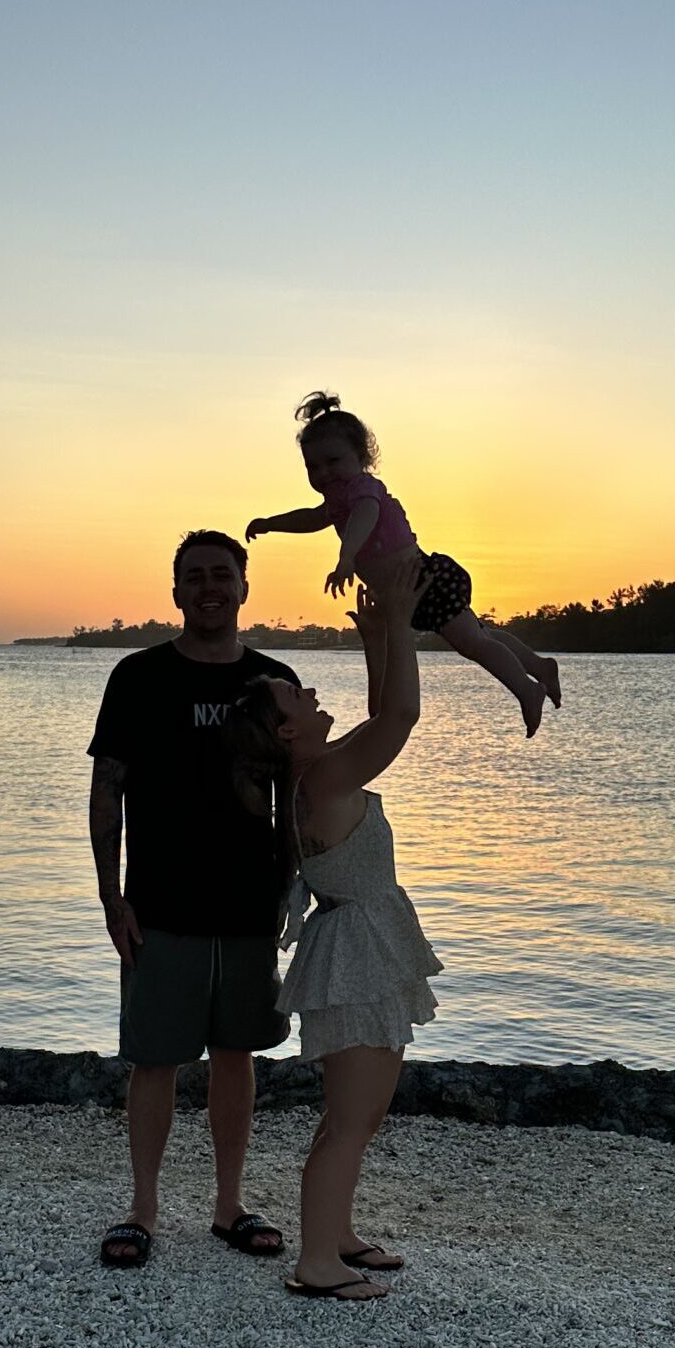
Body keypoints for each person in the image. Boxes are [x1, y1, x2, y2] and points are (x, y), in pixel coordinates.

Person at [227, 549, 439, 1302]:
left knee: (353, 1115)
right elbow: (404, 717)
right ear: (285, 733)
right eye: (296, 694)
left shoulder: (317, 772)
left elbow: (383, 714)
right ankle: (317, 1263)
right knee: (353, 1119)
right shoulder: (322, 778)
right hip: (355, 954)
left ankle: (337, 1235)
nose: (311, 691)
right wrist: (404, 626)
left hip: (357, 946)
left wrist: (379, 636)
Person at [87, 530, 302, 1269]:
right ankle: (142, 1209)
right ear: (176, 593)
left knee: (236, 1053)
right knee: (154, 1059)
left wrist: (297, 889)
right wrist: (110, 896)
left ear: (245, 587)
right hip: (159, 902)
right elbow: (107, 787)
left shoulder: (274, 682)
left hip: (248, 903)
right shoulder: (139, 677)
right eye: (194, 577)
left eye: (222, 574)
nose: (209, 587)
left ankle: (228, 1205)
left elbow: (295, 798)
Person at [245, 391, 561, 737]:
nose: (324, 473)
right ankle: (538, 665)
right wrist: (270, 522)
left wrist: (347, 556)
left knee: (473, 644)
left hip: (424, 580)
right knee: (478, 635)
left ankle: (527, 689)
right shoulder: (337, 501)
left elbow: (367, 515)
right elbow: (309, 517)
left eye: (333, 461)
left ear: (361, 456)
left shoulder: (365, 489)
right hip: (409, 591)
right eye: (313, 467)